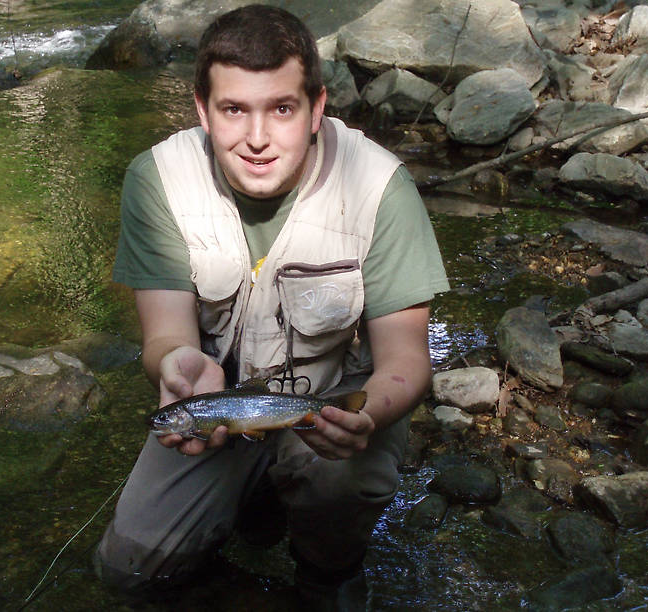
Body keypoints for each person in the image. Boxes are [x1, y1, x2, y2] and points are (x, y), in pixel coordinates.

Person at [95, 3, 449, 607]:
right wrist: (177, 364)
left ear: (317, 108)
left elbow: (406, 359)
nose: (257, 138)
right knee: (128, 570)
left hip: (330, 400)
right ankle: (248, 536)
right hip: (220, 406)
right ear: (203, 112)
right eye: (234, 110)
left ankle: (326, 574)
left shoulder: (379, 185)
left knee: (341, 477)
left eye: (281, 109)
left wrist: (368, 414)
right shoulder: (158, 179)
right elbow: (164, 336)